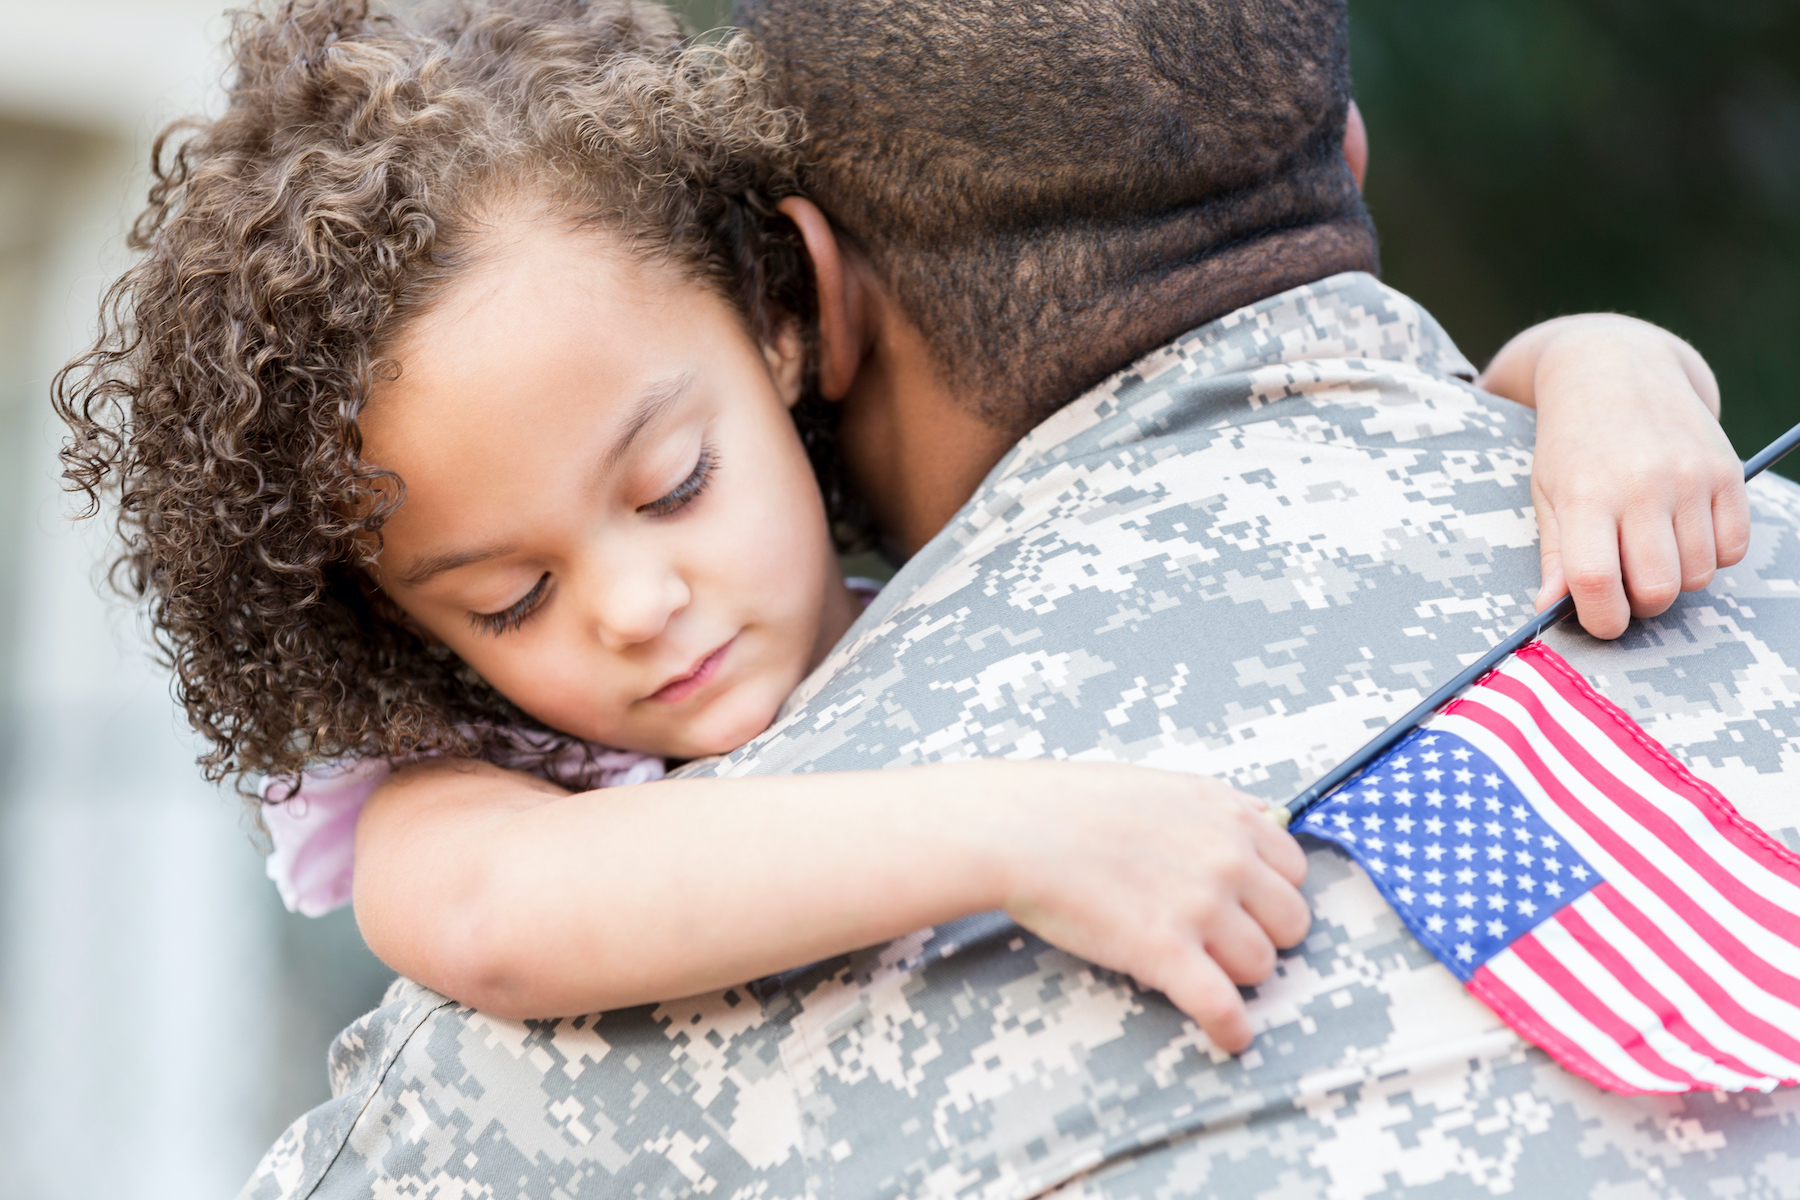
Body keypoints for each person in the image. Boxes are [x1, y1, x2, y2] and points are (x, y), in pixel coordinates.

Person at [52, 2, 1796, 1198]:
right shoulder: (474, 805)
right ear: (395, 630)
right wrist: (1009, 835)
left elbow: (1451, 412)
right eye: (509, 598)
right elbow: (509, 922)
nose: (641, 604)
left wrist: (1612, 370)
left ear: (786, 317)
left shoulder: (932, 592)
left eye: (673, 487)